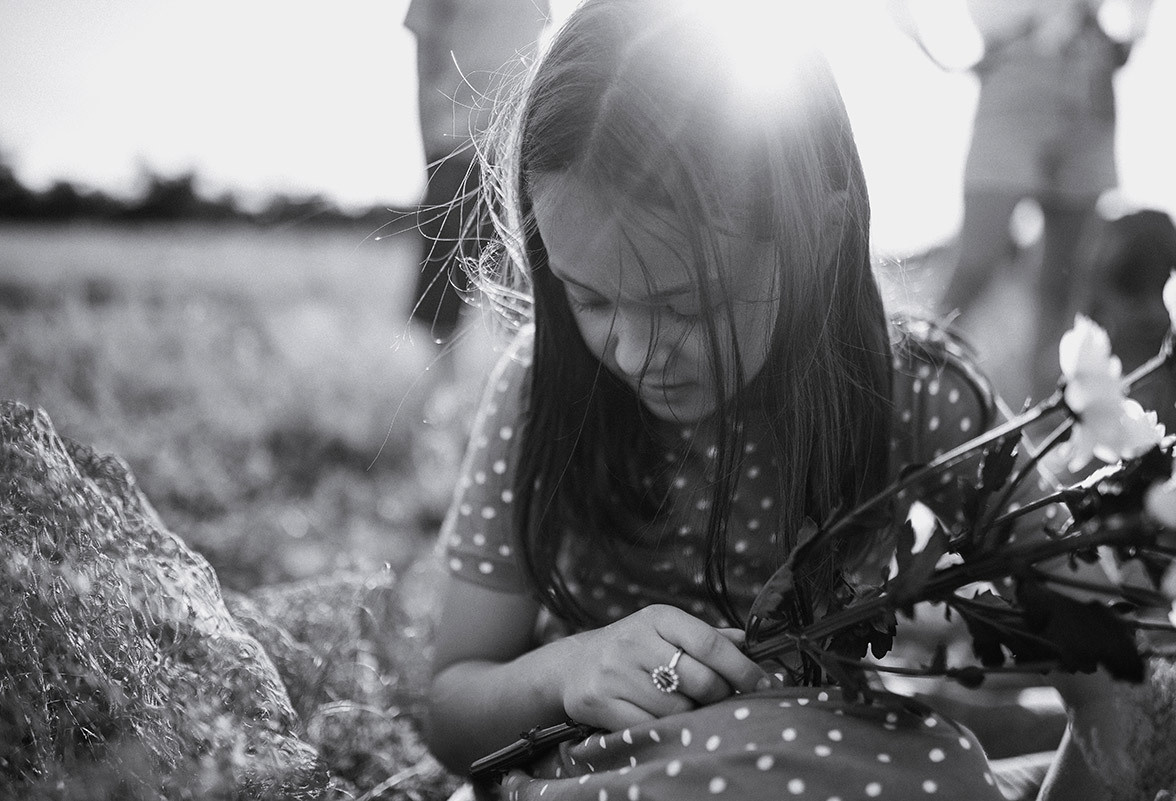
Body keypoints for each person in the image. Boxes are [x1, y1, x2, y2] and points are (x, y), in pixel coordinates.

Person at [424, 1, 1106, 798]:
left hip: (847, 768)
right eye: (590, 298)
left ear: (816, 234)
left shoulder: (914, 395)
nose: (637, 354)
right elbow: (451, 711)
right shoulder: (542, 388)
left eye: (685, 307)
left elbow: (1104, 655)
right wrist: (567, 669)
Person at [935, 0, 1152, 402]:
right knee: (976, 266)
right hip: (1014, 74)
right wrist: (936, 52)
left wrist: (1133, 32)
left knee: (1063, 286)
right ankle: (911, 384)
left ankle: (1041, 422)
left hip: (1091, 78)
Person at [404, 0, 551, 349]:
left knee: (529, 290)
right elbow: (426, 55)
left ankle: (521, 387)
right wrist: (432, 146)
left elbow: (537, 48)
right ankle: (446, 395)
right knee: (441, 298)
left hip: (517, 144)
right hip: (457, 143)